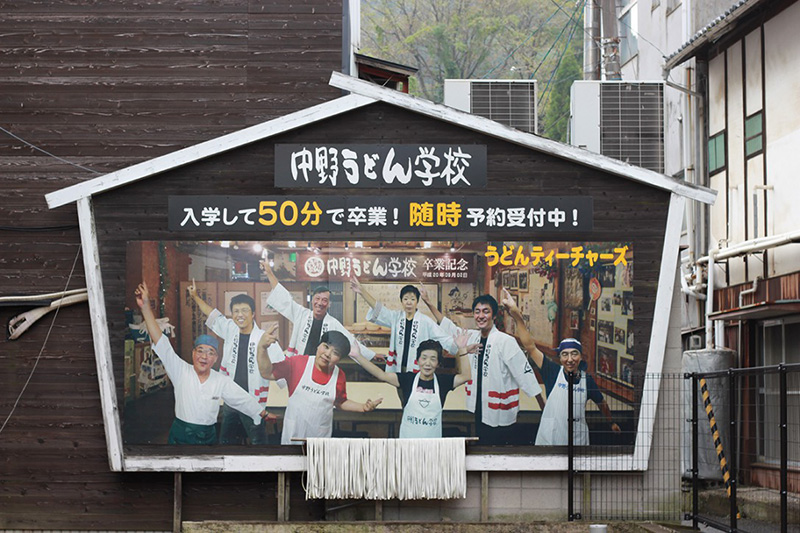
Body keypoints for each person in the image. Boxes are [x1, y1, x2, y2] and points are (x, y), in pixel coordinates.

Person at [135, 282, 272, 445]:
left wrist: (262, 413)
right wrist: (145, 309)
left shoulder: (220, 380)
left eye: (210, 352)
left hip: (208, 437)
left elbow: (241, 398)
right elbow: (161, 341)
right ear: (193, 353)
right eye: (200, 351)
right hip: (181, 435)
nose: (204, 356)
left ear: (216, 358)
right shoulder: (180, 370)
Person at [501, 288, 620, 446]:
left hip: (577, 438)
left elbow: (601, 403)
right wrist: (517, 316)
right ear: (560, 357)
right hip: (551, 434)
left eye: (574, 354)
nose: (570, 359)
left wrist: (611, 422)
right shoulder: (552, 371)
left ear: (580, 356)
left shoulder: (587, 380)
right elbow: (530, 346)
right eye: (565, 355)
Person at [428, 293, 544, 445]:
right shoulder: (472, 337)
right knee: (482, 446)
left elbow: (525, 374)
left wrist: (544, 408)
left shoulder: (505, 341)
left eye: (486, 311)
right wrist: (428, 302)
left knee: (498, 451)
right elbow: (449, 326)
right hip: (480, 407)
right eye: (477, 311)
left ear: (494, 316)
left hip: (500, 411)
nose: (481, 316)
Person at [188, 280, 283, 445]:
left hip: (252, 399)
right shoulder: (230, 329)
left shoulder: (263, 338)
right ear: (232, 314)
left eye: (245, 310)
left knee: (258, 442)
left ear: (253, 313)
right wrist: (195, 296)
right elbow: (211, 314)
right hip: (231, 398)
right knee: (226, 440)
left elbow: (282, 370)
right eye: (236, 311)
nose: (240, 315)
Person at [257, 329, 382, 444]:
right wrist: (262, 348)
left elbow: (340, 402)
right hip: (293, 434)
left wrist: (363, 407)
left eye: (335, 353)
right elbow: (266, 372)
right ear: (318, 346)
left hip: (319, 439)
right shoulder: (297, 363)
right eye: (326, 347)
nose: (327, 354)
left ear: (339, 359)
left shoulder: (339, 375)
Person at [349, 336, 476, 438]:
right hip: (407, 445)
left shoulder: (443, 382)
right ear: (417, 360)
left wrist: (462, 350)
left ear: (438, 363)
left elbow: (466, 376)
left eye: (433, 359)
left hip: (433, 446)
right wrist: (358, 356)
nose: (427, 363)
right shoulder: (407, 380)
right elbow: (381, 375)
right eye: (424, 358)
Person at [262, 260, 375, 359]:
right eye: (317, 299)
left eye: (324, 300)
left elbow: (350, 340)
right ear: (312, 300)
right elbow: (284, 298)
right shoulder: (301, 314)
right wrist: (269, 273)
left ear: (329, 304)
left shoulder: (332, 323)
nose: (320, 303)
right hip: (299, 362)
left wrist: (372, 355)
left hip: (320, 364)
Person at [350, 277, 458, 373]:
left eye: (412, 299)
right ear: (401, 301)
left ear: (417, 302)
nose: (409, 302)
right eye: (405, 299)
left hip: (418, 369)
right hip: (399, 367)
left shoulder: (425, 321)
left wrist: (459, 346)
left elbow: (442, 337)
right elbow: (379, 309)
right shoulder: (396, 318)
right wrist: (362, 292)